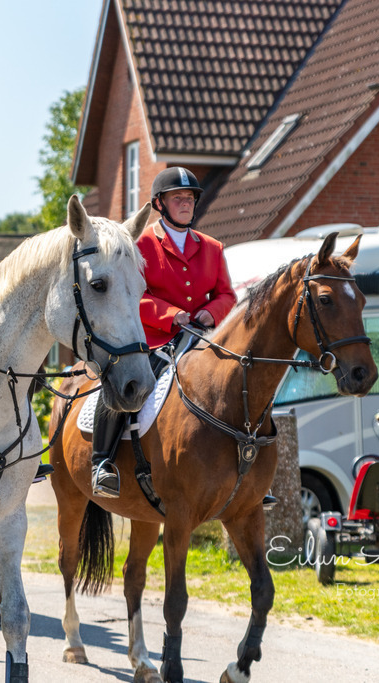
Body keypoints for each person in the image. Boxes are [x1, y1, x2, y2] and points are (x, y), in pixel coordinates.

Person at [91, 167, 237, 498]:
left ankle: (243, 476)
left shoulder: (212, 247)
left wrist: (210, 313)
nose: (186, 203)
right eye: (178, 198)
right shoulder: (139, 243)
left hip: (202, 339)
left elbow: (228, 295)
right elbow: (127, 294)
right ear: (160, 204)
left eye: (189, 198)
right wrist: (171, 315)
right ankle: (102, 463)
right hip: (153, 339)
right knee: (126, 384)